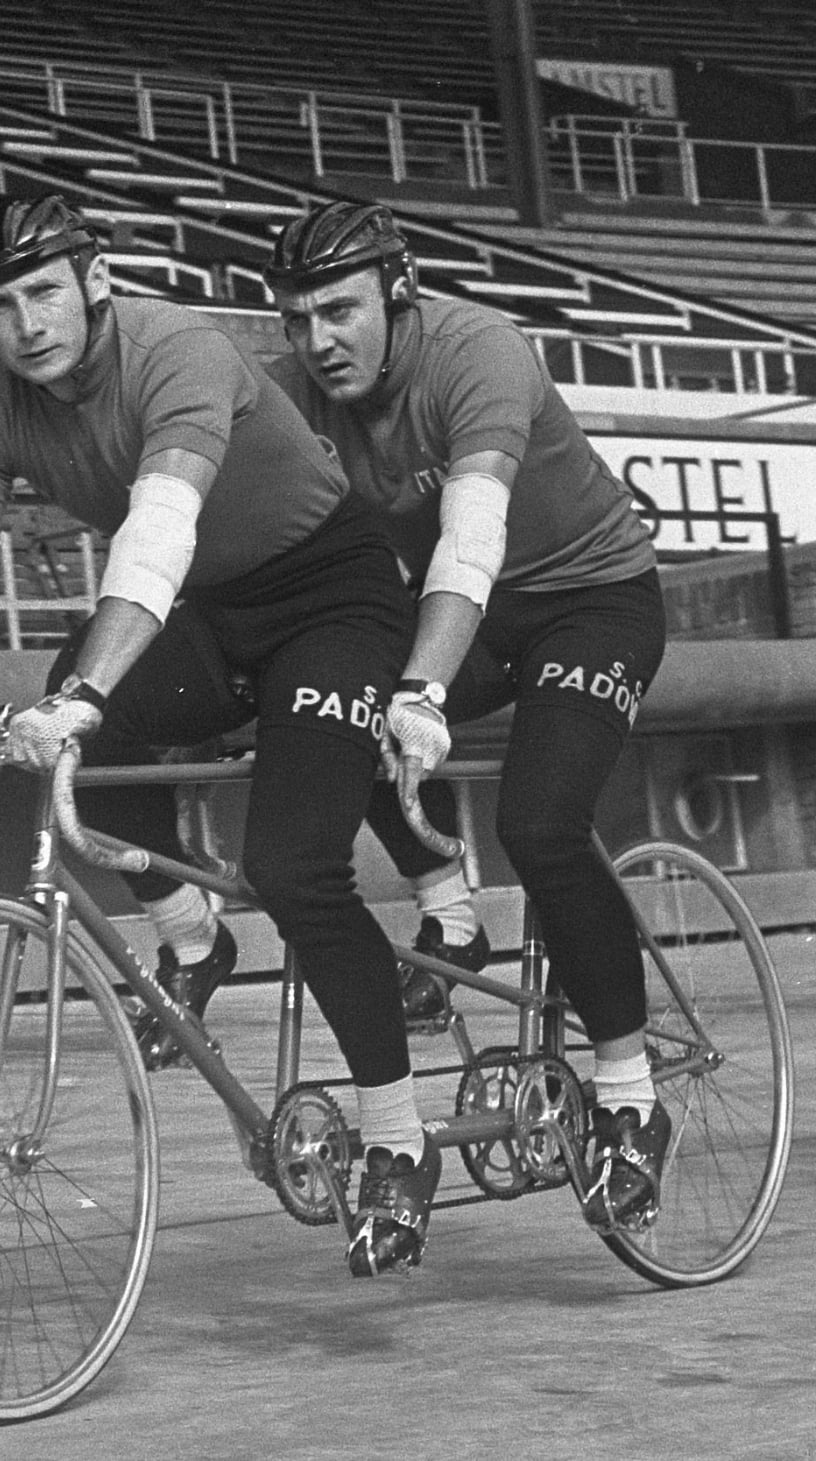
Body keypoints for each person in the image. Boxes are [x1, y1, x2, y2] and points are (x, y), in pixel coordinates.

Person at [0, 193, 441, 1277]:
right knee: (73, 754)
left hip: (330, 595)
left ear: (95, 278)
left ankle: (397, 1137)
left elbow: (156, 536)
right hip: (214, 614)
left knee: (294, 864)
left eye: (44, 290)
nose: (26, 323)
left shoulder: (175, 349)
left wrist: (86, 697)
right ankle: (197, 941)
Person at [264, 201, 670, 1234]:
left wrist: (427, 689)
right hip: (476, 612)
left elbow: (470, 536)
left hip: (590, 601)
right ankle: (447, 906)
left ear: (399, 295)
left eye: (342, 311)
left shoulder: (478, 349)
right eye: (298, 318)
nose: (320, 341)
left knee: (539, 822)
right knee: (335, 712)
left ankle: (630, 1097)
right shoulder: (300, 393)